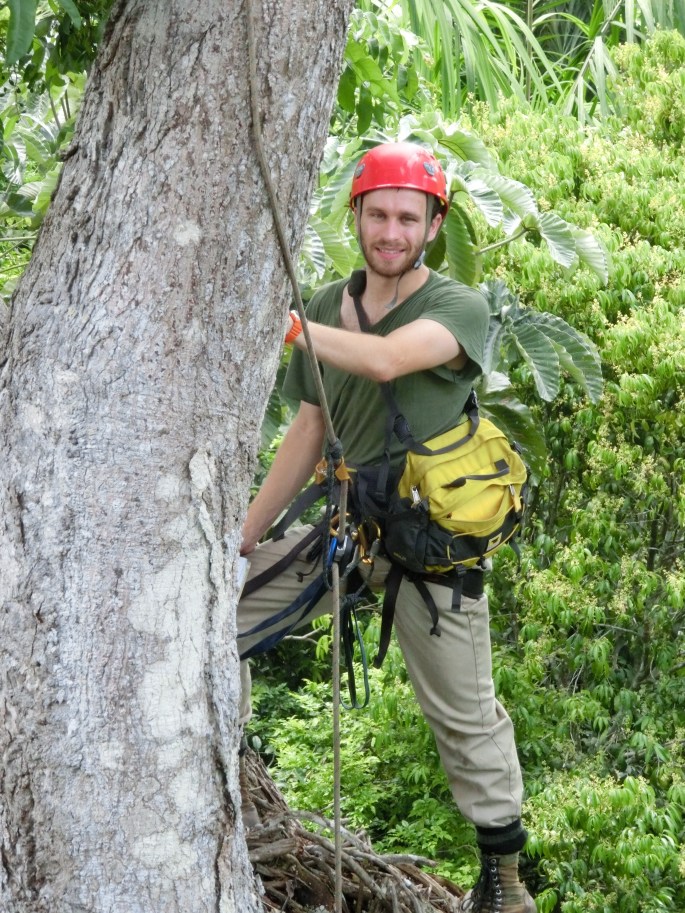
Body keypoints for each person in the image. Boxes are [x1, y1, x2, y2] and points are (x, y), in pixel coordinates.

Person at [237, 141, 535, 913]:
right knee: (218, 609)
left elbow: (384, 360)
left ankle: (503, 880)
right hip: (344, 531)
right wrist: (244, 535)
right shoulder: (327, 302)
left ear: (432, 226)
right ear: (358, 217)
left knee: (463, 714)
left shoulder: (457, 307)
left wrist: (293, 328)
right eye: (378, 214)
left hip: (429, 547)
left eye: (408, 216)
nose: (391, 230)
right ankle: (220, 772)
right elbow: (309, 429)